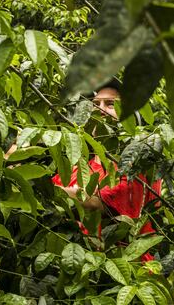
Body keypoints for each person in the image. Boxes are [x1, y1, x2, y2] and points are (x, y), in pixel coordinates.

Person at [51, 81, 161, 260]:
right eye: (95, 104)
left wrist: (44, 188)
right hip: (81, 267)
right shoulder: (80, 167)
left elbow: (96, 203)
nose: (98, 110)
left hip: (125, 274)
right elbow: (47, 196)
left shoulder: (140, 162)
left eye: (110, 104)